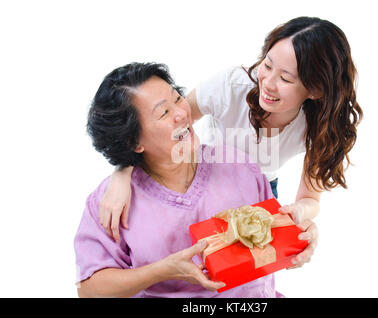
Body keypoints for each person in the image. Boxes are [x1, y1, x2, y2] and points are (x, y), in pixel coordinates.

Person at [99, 16, 363, 268]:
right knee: (187, 266)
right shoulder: (231, 86)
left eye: (285, 79)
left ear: (315, 89)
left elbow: (310, 199)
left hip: (261, 193)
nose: (267, 83)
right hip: (205, 178)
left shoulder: (320, 126)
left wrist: (298, 214)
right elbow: (168, 123)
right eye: (267, 65)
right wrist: (122, 172)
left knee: (244, 278)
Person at [75, 62, 315, 298]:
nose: (182, 113)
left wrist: (303, 234)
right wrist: (161, 271)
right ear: (134, 142)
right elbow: (90, 290)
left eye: (177, 98)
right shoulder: (112, 203)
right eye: (164, 112)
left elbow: (275, 233)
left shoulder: (238, 165)